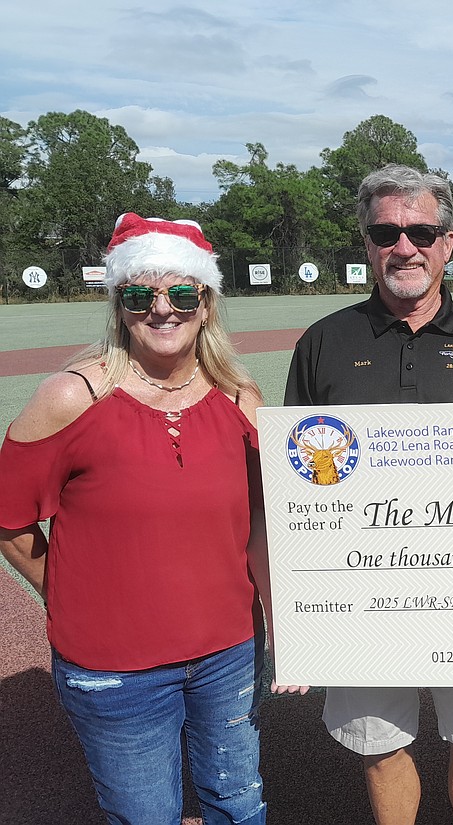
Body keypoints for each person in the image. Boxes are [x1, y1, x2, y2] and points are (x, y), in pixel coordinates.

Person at [0, 213, 290, 824]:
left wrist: (282, 619)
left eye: (183, 293)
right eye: (140, 294)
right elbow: (8, 519)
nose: (163, 309)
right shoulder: (71, 396)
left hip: (229, 653)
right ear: (119, 305)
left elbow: (263, 520)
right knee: (146, 816)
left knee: (239, 803)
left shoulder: (241, 400)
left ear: (206, 304)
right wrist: (67, 592)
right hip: (113, 667)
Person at [283, 164, 453, 825]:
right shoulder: (324, 343)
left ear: (447, 241)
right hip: (362, 584)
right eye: (387, 231)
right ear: (366, 242)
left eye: (422, 230)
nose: (405, 245)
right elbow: (295, 477)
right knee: (380, 740)